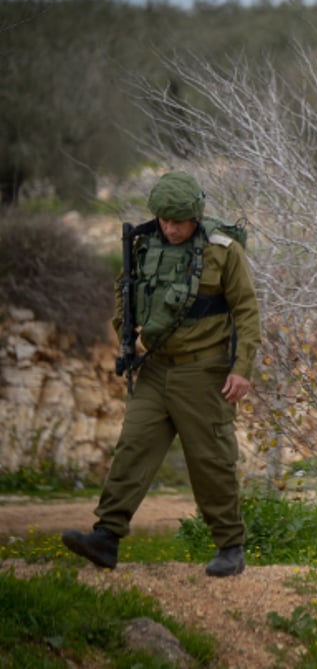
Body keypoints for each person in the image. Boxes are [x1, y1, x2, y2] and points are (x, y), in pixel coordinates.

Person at [62, 170, 262, 577]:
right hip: (153, 369)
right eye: (165, 220)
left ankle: (230, 546)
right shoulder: (141, 245)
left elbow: (246, 312)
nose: (171, 228)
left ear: (195, 216)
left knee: (211, 460)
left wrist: (241, 370)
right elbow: (125, 291)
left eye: (179, 221)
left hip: (203, 373)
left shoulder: (223, 252)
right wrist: (125, 337)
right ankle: (106, 538)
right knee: (133, 449)